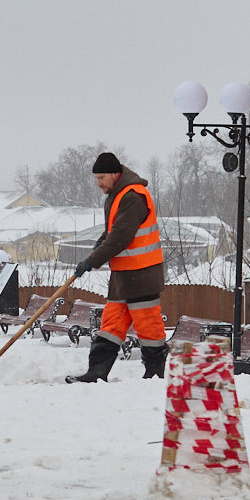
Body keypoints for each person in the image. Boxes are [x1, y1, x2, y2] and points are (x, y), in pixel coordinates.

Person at [66, 152, 167, 383]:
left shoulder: (133, 196)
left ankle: (155, 374)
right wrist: (100, 244)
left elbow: (121, 236)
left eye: (101, 178)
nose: (99, 183)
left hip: (142, 275)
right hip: (123, 275)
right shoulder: (117, 196)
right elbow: (113, 231)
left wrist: (92, 260)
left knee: (148, 326)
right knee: (111, 325)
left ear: (115, 174)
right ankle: (97, 372)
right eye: (96, 179)